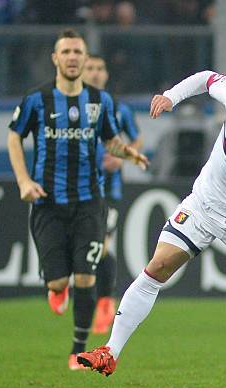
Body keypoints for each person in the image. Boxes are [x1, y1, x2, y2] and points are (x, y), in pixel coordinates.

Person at [77, 70, 226, 376]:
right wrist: (172, 97)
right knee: (157, 267)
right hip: (203, 205)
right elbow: (206, 78)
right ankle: (110, 351)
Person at [7, 29, 149, 370]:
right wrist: (24, 181)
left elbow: (111, 140)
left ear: (85, 59)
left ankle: (77, 350)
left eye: (77, 52)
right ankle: (56, 287)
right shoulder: (36, 100)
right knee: (59, 280)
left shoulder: (99, 101)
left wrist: (129, 154)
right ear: (56, 58)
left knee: (86, 276)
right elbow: (14, 136)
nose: (72, 57)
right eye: (66, 51)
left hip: (90, 201)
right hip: (47, 203)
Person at [82, 54, 143, 334]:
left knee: (102, 244)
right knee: (84, 247)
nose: (95, 73)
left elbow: (136, 137)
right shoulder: (71, 107)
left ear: (106, 74)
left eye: (99, 68)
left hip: (109, 190)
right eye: (90, 69)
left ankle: (105, 303)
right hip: (77, 189)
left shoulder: (119, 109)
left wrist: (124, 158)